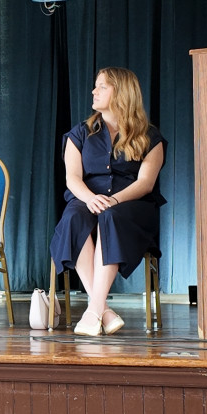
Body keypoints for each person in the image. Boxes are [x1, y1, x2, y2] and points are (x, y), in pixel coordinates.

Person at [49, 67, 166, 336]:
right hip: (86, 199)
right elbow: (72, 178)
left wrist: (114, 200)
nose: (94, 91)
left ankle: (94, 310)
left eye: (102, 86)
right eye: (95, 85)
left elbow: (145, 183)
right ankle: (101, 309)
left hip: (131, 204)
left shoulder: (150, 137)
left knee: (111, 216)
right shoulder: (80, 134)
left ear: (122, 92)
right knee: (74, 216)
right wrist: (92, 199)